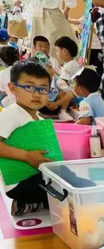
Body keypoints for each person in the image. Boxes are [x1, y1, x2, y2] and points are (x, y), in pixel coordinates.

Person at [0, 60, 51, 216]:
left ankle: (34, 204)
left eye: (43, 89)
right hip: (20, 182)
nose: (36, 94)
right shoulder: (12, 114)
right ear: (13, 88)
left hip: (34, 176)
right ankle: (26, 203)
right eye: (29, 87)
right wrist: (27, 156)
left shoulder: (39, 119)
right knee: (61, 192)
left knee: (68, 180)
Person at [49, 36, 81, 121]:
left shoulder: (69, 66)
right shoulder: (71, 64)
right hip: (74, 90)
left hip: (74, 93)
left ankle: (63, 111)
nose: (56, 53)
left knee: (60, 87)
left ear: (64, 51)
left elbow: (62, 81)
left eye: (57, 50)